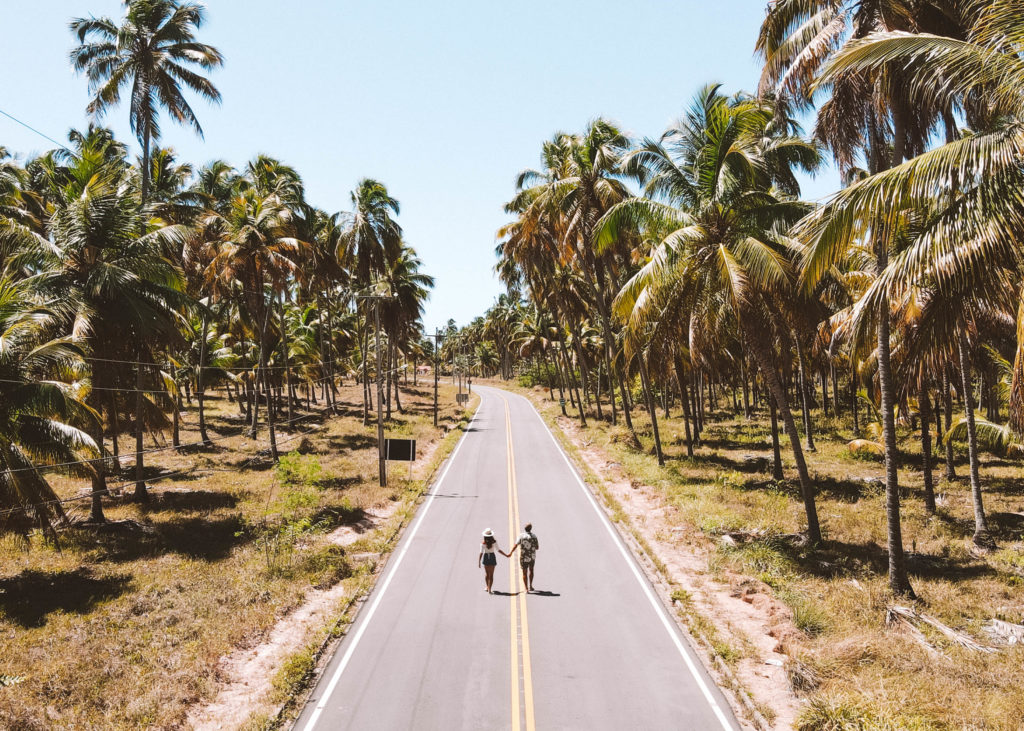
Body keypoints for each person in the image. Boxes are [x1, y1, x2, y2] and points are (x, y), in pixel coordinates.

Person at [507, 522, 539, 592]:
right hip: (532, 557)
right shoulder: (534, 536)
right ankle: (531, 585)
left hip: (524, 557)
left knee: (524, 572)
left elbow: (515, 545)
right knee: (531, 570)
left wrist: (511, 553)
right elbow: (537, 547)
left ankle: (526, 588)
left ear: (525, 529)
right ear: (531, 529)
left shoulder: (521, 536)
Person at [478, 528, 504, 594]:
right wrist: (506, 555)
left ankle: (487, 587)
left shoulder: (483, 543)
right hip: (492, 557)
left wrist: (479, 562)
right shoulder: (494, 542)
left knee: (487, 574)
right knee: (491, 575)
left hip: (486, 557)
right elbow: (498, 550)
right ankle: (490, 589)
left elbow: (481, 553)